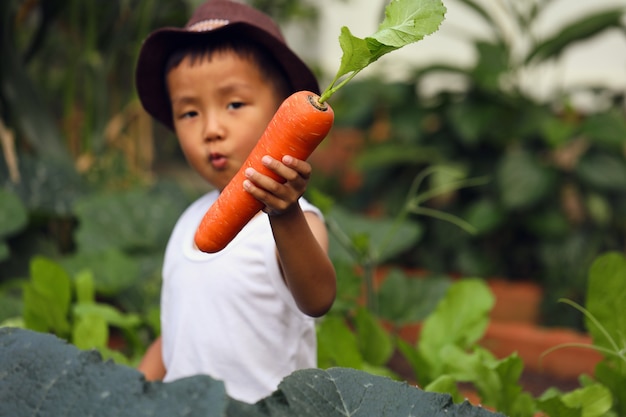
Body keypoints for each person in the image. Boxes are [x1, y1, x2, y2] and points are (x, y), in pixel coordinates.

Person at [134, 0, 336, 403]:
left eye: (234, 104)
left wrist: (284, 212)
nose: (211, 129)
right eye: (189, 113)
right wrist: (131, 390)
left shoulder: (297, 221)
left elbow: (317, 298)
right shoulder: (190, 219)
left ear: (281, 114)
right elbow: (178, 331)